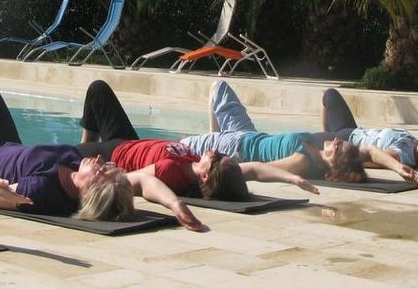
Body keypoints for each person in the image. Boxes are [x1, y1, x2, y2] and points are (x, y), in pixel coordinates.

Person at [0, 80, 204, 231]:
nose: (100, 161)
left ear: (88, 190)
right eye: (106, 165)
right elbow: (145, 183)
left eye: (101, 171)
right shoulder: (76, 171)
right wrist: (176, 204)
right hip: (6, 148)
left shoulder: (38, 191)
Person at [76, 80, 318, 200]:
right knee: (98, 89)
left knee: (62, 156)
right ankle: (84, 146)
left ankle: (81, 154)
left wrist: (175, 205)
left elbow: (135, 180)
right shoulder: (199, 165)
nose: (215, 151)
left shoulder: (173, 173)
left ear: (205, 175)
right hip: (129, 142)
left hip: (114, 155)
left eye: (216, 159)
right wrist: (293, 178)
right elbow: (254, 169)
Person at [180, 80, 370, 185]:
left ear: (333, 164)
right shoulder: (316, 149)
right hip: (247, 133)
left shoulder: (304, 162)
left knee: (177, 148)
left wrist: (218, 170)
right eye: (341, 142)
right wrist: (397, 166)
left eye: (339, 147)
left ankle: (212, 143)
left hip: (236, 148)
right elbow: (369, 152)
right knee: (219, 87)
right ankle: (212, 137)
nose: (336, 140)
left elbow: (259, 169)